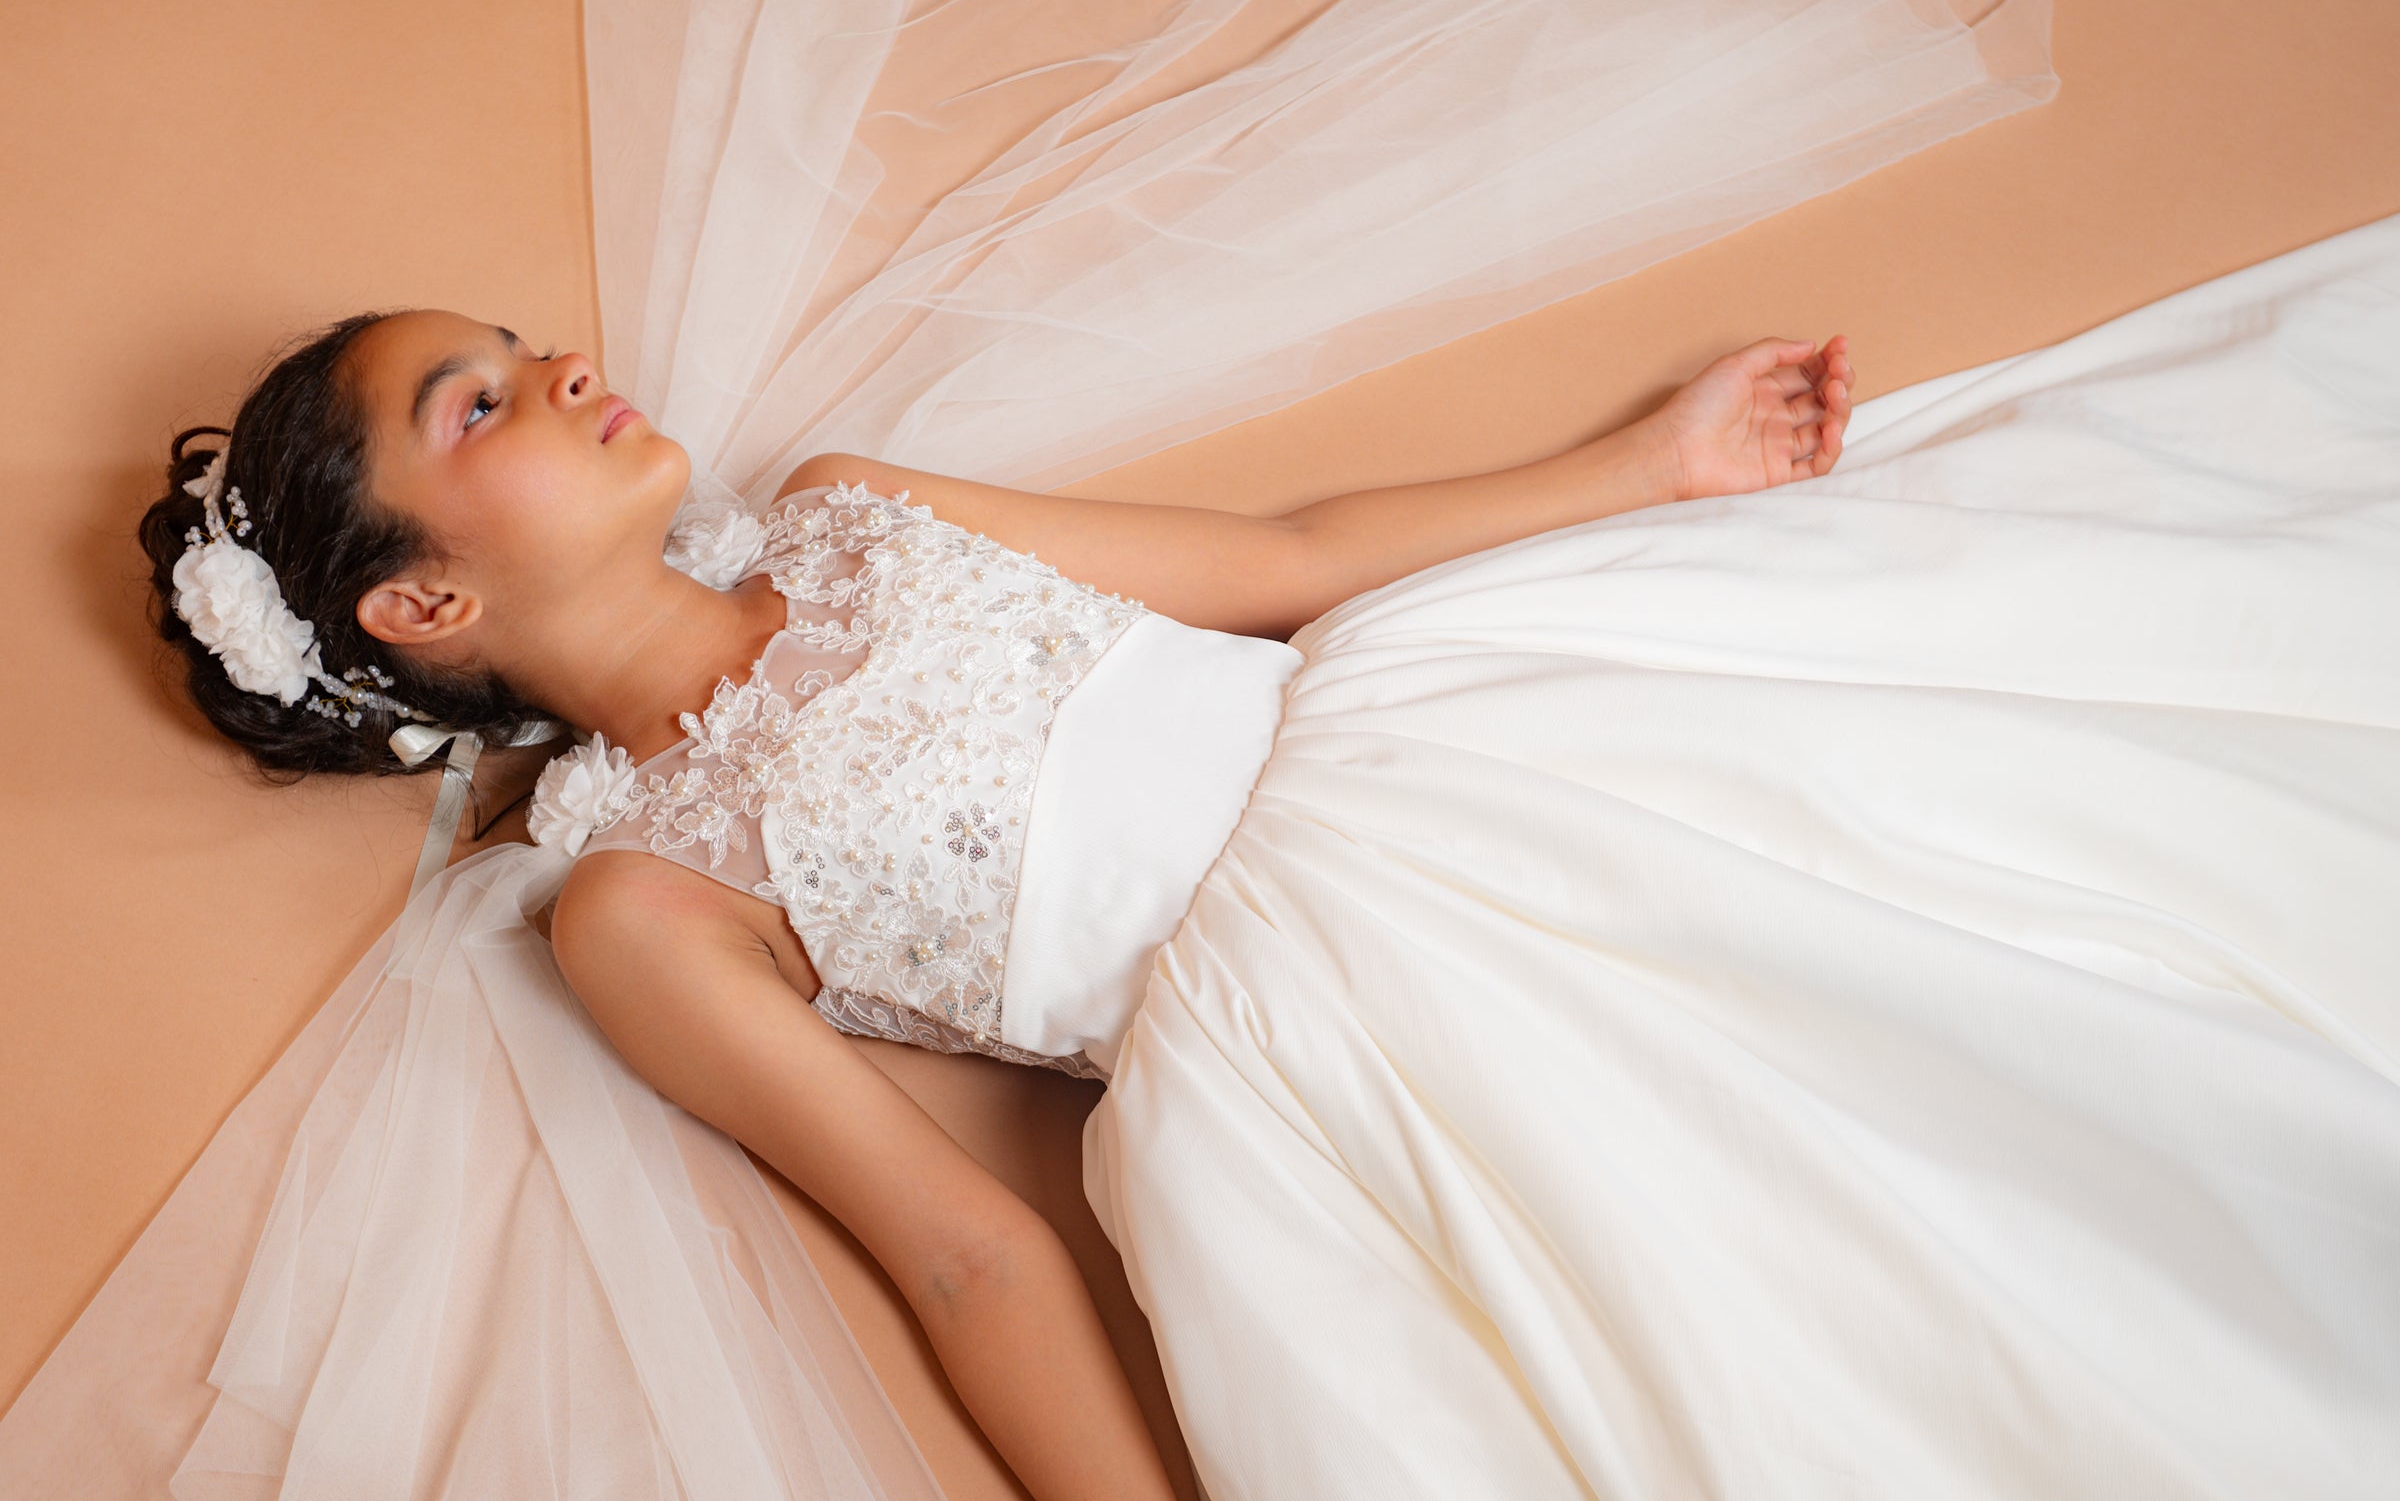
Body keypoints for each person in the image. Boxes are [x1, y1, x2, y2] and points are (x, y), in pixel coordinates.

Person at [54, 277, 2398, 1500]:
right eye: (474, 405)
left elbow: (1281, 557)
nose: (557, 364)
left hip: (1451, 752)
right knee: (1803, 1261)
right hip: (1344, 1019)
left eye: (511, 342)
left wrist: (1643, 464)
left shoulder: (860, 507)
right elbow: (962, 1245)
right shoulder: (639, 900)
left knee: (1990, 906)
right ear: (425, 608)